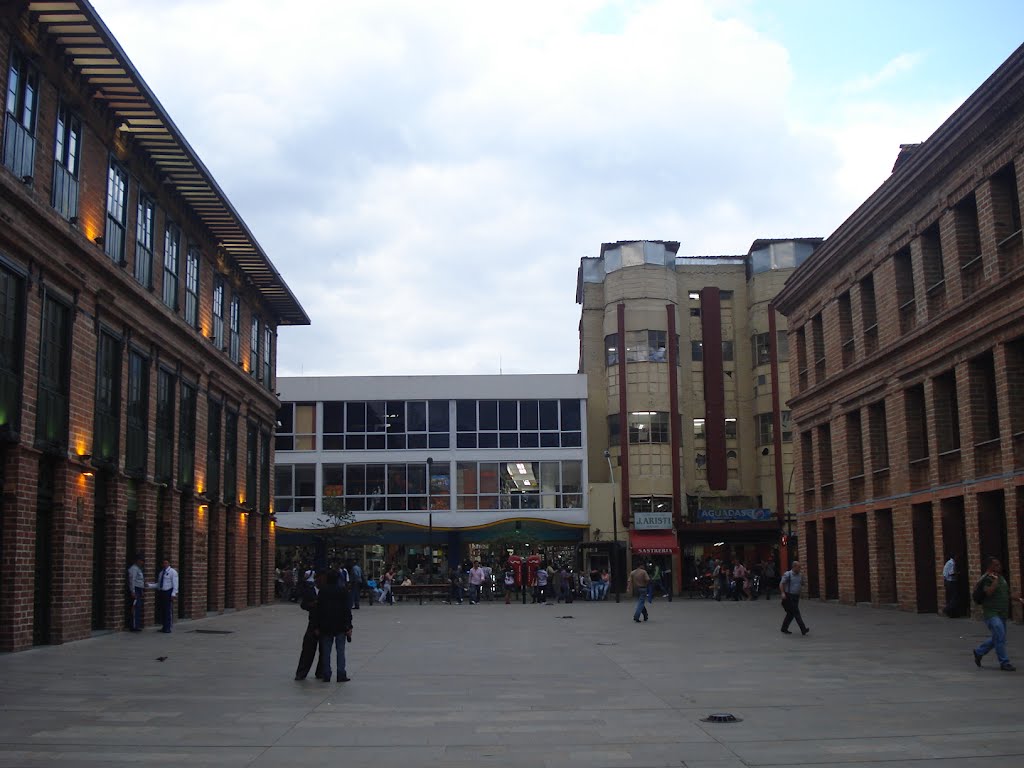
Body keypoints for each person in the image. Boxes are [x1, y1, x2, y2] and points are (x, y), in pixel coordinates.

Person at [972, 557, 1020, 671]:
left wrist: (1017, 598)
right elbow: (988, 592)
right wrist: (994, 581)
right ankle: (1004, 662)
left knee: (999, 637)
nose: (999, 567)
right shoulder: (987, 578)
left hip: (1002, 613)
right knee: (1000, 635)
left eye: (999, 564)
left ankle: (979, 651)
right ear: (990, 566)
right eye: (996, 565)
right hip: (991, 613)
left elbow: (1005, 593)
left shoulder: (1002, 578)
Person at [316, 569, 353, 682]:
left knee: (326, 652)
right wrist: (349, 625)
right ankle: (341, 674)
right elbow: (347, 609)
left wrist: (317, 626)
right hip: (340, 625)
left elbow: (319, 610)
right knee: (340, 651)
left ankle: (326, 674)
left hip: (326, 625)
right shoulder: (343, 591)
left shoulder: (322, 591)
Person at [294, 570, 324, 681]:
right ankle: (301, 673)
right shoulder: (310, 591)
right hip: (312, 624)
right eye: (320, 579)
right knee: (307, 650)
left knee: (324, 651)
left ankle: (320, 672)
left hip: (324, 625)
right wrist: (312, 604)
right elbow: (303, 605)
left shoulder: (326, 592)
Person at [780, 560, 809, 635]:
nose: (800, 569)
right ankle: (803, 629)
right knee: (796, 612)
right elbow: (781, 584)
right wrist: (783, 593)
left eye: (800, 567)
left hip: (796, 596)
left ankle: (784, 628)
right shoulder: (788, 574)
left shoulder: (800, 575)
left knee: (791, 614)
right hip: (789, 596)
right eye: (799, 567)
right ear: (794, 567)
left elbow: (802, 583)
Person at [154, 558, 179, 633]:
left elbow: (175, 583)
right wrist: (149, 585)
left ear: (169, 564)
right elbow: (159, 584)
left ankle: (168, 627)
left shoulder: (172, 572)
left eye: (166, 563)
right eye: (163, 563)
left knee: (167, 610)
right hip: (162, 592)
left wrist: (174, 593)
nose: (165, 565)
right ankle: (164, 626)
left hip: (168, 592)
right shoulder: (161, 573)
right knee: (163, 610)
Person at [126, 554, 145, 632]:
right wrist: (133, 591)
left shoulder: (138, 569)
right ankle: (134, 626)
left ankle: (137, 625)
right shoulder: (134, 569)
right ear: (137, 560)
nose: (142, 562)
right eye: (141, 560)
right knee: (135, 607)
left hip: (139, 590)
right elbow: (132, 580)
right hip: (135, 590)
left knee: (138, 607)